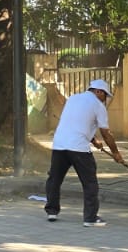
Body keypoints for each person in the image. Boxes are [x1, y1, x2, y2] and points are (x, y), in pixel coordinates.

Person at [45, 78, 123, 226]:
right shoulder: (98, 106)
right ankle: (90, 218)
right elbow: (106, 133)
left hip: (59, 144)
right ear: (98, 91)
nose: (105, 99)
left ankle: (51, 211)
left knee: (54, 179)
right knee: (90, 183)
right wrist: (116, 153)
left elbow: (76, 123)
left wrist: (93, 140)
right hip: (79, 148)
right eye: (105, 95)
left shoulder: (73, 99)